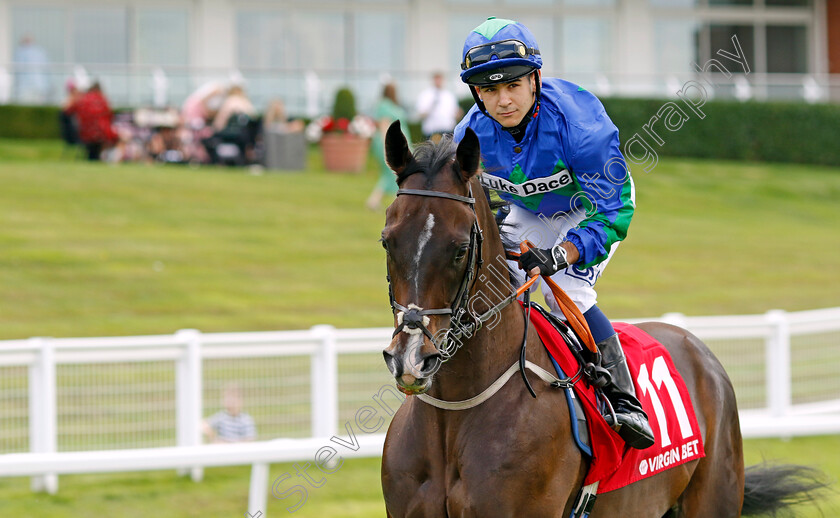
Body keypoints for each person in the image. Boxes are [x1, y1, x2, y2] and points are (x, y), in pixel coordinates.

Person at [454, 17, 654, 449]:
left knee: (565, 292)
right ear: (476, 93)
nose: (503, 100)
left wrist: (562, 254)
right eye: (490, 90)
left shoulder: (581, 128)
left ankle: (622, 396)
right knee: (490, 287)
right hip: (528, 210)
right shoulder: (466, 136)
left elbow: (613, 210)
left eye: (513, 86)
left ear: (535, 79)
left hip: (592, 207)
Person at [367, 82, 412, 210]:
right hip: (389, 144)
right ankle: (381, 201)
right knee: (391, 172)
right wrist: (387, 146)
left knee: (391, 174)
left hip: (399, 144)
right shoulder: (385, 106)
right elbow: (383, 125)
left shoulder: (393, 105)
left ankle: (379, 201)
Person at [65, 81, 119, 161]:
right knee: (116, 135)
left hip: (84, 134)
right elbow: (110, 117)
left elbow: (67, 111)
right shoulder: (102, 99)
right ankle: (109, 158)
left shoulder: (82, 99)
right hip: (101, 134)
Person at [415, 71, 461, 143]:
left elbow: (456, 113)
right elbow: (421, 114)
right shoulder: (425, 95)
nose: (438, 81)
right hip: (432, 132)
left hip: (448, 131)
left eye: (440, 79)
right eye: (436, 79)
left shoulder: (449, 95)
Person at [13, 35, 49, 104]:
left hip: (36, 85)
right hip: (26, 85)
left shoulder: (38, 51)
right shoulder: (20, 52)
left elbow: (44, 68)